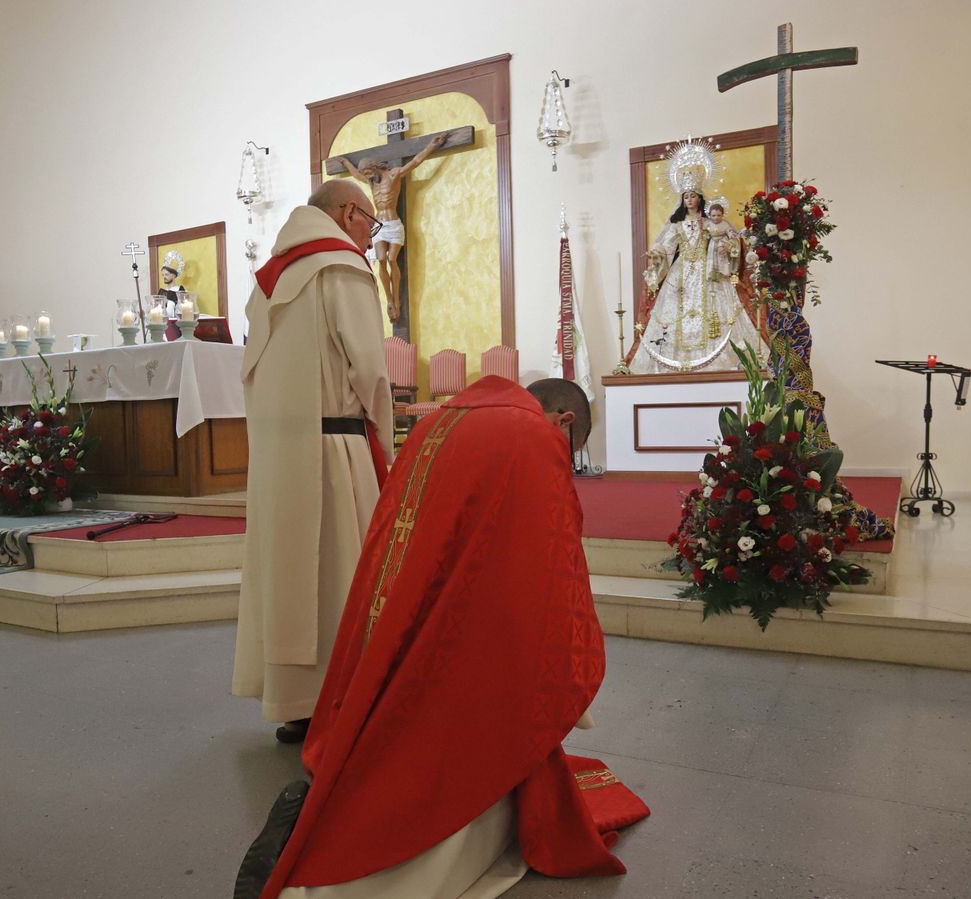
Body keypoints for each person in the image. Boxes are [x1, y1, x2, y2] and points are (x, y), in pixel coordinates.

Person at [237, 376, 648, 899]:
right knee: (460, 767)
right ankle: (317, 881)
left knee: (392, 733)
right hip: (469, 648)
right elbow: (550, 567)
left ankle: (315, 822)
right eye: (571, 451)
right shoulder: (530, 435)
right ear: (564, 421)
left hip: (398, 621)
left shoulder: (437, 422)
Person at [233, 179, 394, 744]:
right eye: (370, 226)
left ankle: (296, 703)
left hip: (280, 454)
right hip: (335, 448)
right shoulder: (341, 268)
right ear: (349, 213)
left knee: (291, 578)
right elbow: (370, 369)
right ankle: (347, 702)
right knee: (342, 578)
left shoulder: (269, 279)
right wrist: (386, 439)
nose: (370, 242)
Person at [635, 189, 762, 373]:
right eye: (686, 197)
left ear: (700, 199)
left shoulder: (711, 222)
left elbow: (731, 237)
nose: (689, 200)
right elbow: (667, 247)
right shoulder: (677, 225)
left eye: (693, 196)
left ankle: (722, 362)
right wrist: (657, 253)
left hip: (709, 269)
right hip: (681, 272)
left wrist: (729, 246)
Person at [334, 133, 447, 321]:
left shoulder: (394, 175)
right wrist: (345, 162)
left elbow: (416, 161)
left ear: (375, 167)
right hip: (378, 226)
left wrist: (432, 147)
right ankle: (389, 300)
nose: (368, 178)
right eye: (366, 176)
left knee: (393, 259)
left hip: (393, 224)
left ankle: (397, 299)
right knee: (381, 260)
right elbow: (355, 174)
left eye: (369, 173)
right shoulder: (370, 181)